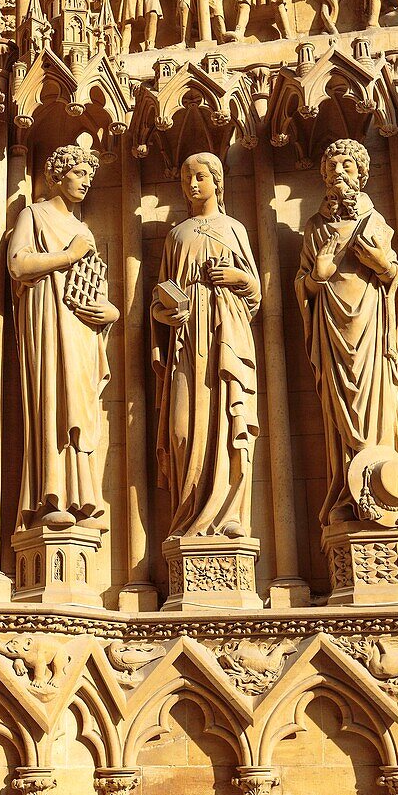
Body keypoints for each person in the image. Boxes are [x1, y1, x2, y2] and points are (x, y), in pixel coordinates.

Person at [295, 138, 398, 526]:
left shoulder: (376, 223)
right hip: (331, 330)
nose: (338, 174)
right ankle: (348, 491)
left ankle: (382, 490)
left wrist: (383, 265)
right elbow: (303, 285)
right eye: (331, 169)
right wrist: (316, 276)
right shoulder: (314, 228)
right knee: (339, 410)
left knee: (377, 406)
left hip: (372, 328)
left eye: (346, 166)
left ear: (362, 173)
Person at [8, 144, 119, 530]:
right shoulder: (33, 215)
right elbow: (18, 264)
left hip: (82, 331)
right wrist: (69, 255)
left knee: (82, 408)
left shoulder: (84, 231)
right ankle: (50, 494)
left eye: (90, 175)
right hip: (45, 319)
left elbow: (94, 286)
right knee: (52, 403)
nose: (86, 181)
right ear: (57, 175)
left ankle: (83, 497)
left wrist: (111, 314)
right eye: (78, 174)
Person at [151, 152, 260, 538]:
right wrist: (165, 314)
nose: (191, 185)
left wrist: (233, 275)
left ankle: (229, 516)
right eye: (185, 179)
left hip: (226, 336)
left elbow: (256, 292)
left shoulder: (234, 229)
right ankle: (188, 514)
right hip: (185, 343)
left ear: (217, 181)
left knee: (229, 422)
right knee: (182, 430)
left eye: (199, 177)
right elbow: (159, 297)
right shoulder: (176, 235)